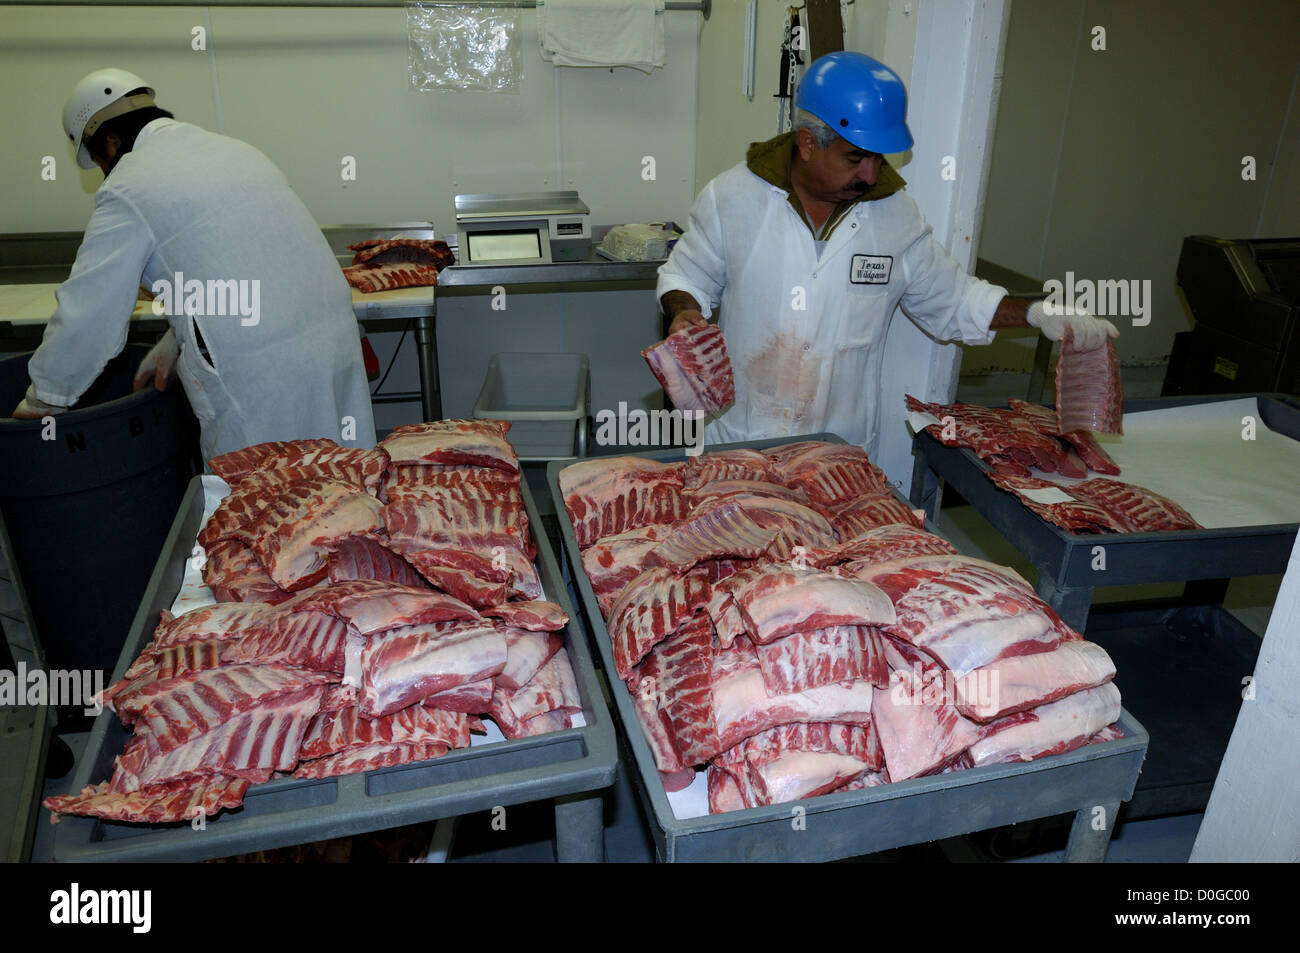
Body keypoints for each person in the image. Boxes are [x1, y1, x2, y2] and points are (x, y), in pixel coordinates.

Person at [657, 51, 1117, 454]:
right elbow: (686, 277)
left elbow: (955, 300)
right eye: (856, 158)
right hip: (741, 441)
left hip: (837, 458)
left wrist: (1038, 313)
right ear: (807, 143)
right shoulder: (733, 197)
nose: (871, 175)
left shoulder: (896, 217)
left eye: (880, 159)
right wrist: (683, 312)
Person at [11, 68, 377, 460]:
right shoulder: (232, 150)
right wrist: (176, 343)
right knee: (348, 484)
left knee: (271, 504)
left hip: (262, 373)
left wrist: (44, 397)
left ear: (112, 140)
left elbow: (90, 311)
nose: (104, 174)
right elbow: (238, 267)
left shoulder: (128, 186)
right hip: (332, 339)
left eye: (100, 161)